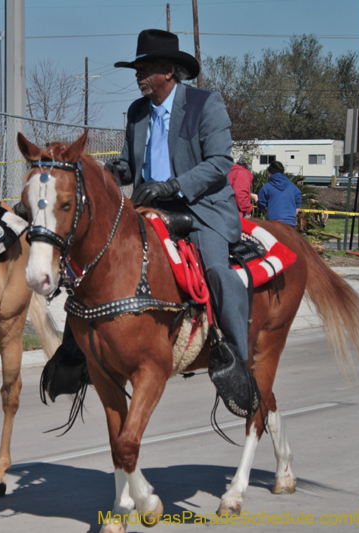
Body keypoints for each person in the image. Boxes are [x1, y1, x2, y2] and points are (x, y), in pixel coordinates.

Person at [111, 29, 257, 417]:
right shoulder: (137, 112)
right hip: (150, 209)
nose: (139, 76)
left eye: (145, 69)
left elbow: (219, 162)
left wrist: (173, 185)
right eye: (138, 69)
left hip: (201, 208)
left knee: (216, 270)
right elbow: (128, 165)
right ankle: (76, 352)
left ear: (169, 72)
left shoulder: (205, 104)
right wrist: (106, 173)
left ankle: (236, 360)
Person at [257, 160, 301, 227]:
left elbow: (261, 206)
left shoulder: (267, 187)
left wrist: (256, 198)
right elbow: (298, 205)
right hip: (290, 224)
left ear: (270, 173)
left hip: (273, 223)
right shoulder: (293, 187)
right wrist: (290, 217)